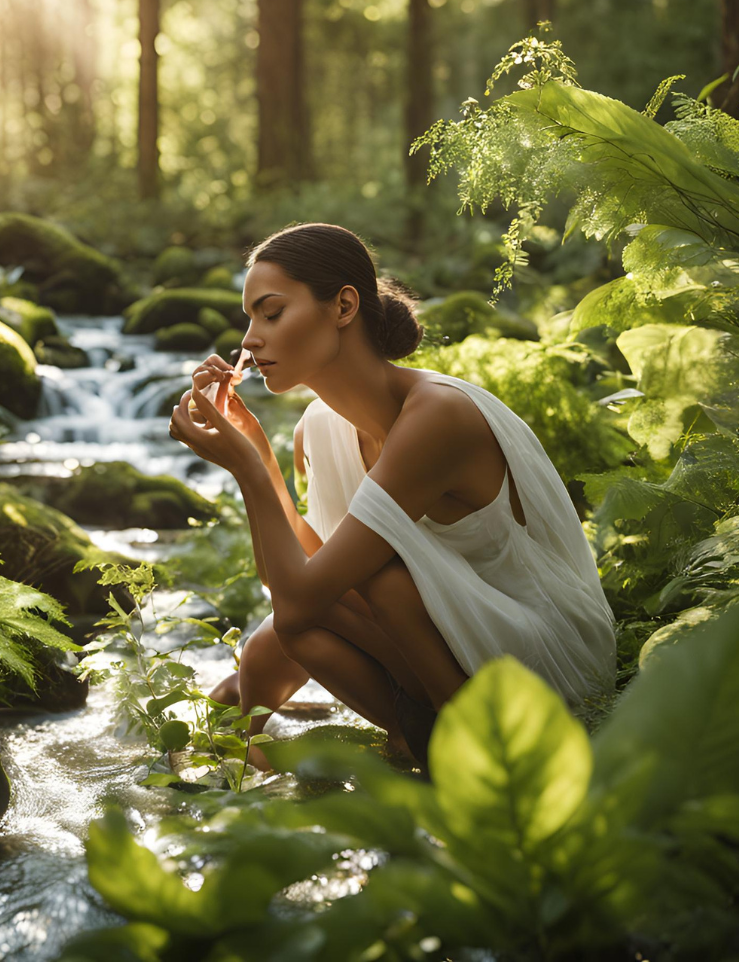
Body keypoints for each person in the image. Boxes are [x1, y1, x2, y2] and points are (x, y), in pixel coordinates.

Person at [168, 223, 616, 770]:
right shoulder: (320, 427)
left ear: (344, 306)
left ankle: (468, 752)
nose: (249, 340)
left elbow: (303, 596)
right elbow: (300, 579)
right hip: (455, 644)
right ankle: (414, 741)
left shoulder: (437, 416)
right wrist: (256, 454)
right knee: (289, 635)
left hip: (545, 659)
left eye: (271, 312)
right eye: (250, 319)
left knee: (372, 578)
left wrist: (246, 471)